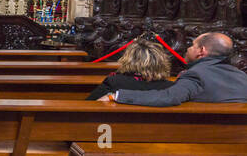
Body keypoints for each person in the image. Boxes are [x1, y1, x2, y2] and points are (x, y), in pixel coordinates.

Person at [100, 31, 247, 104]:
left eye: (192, 45)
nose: (188, 48)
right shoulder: (241, 76)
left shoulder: (196, 75)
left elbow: (169, 97)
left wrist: (117, 95)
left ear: (201, 51)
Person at [86, 36, 173, 100]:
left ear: (128, 59)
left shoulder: (114, 82)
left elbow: (90, 104)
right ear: (161, 62)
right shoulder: (171, 88)